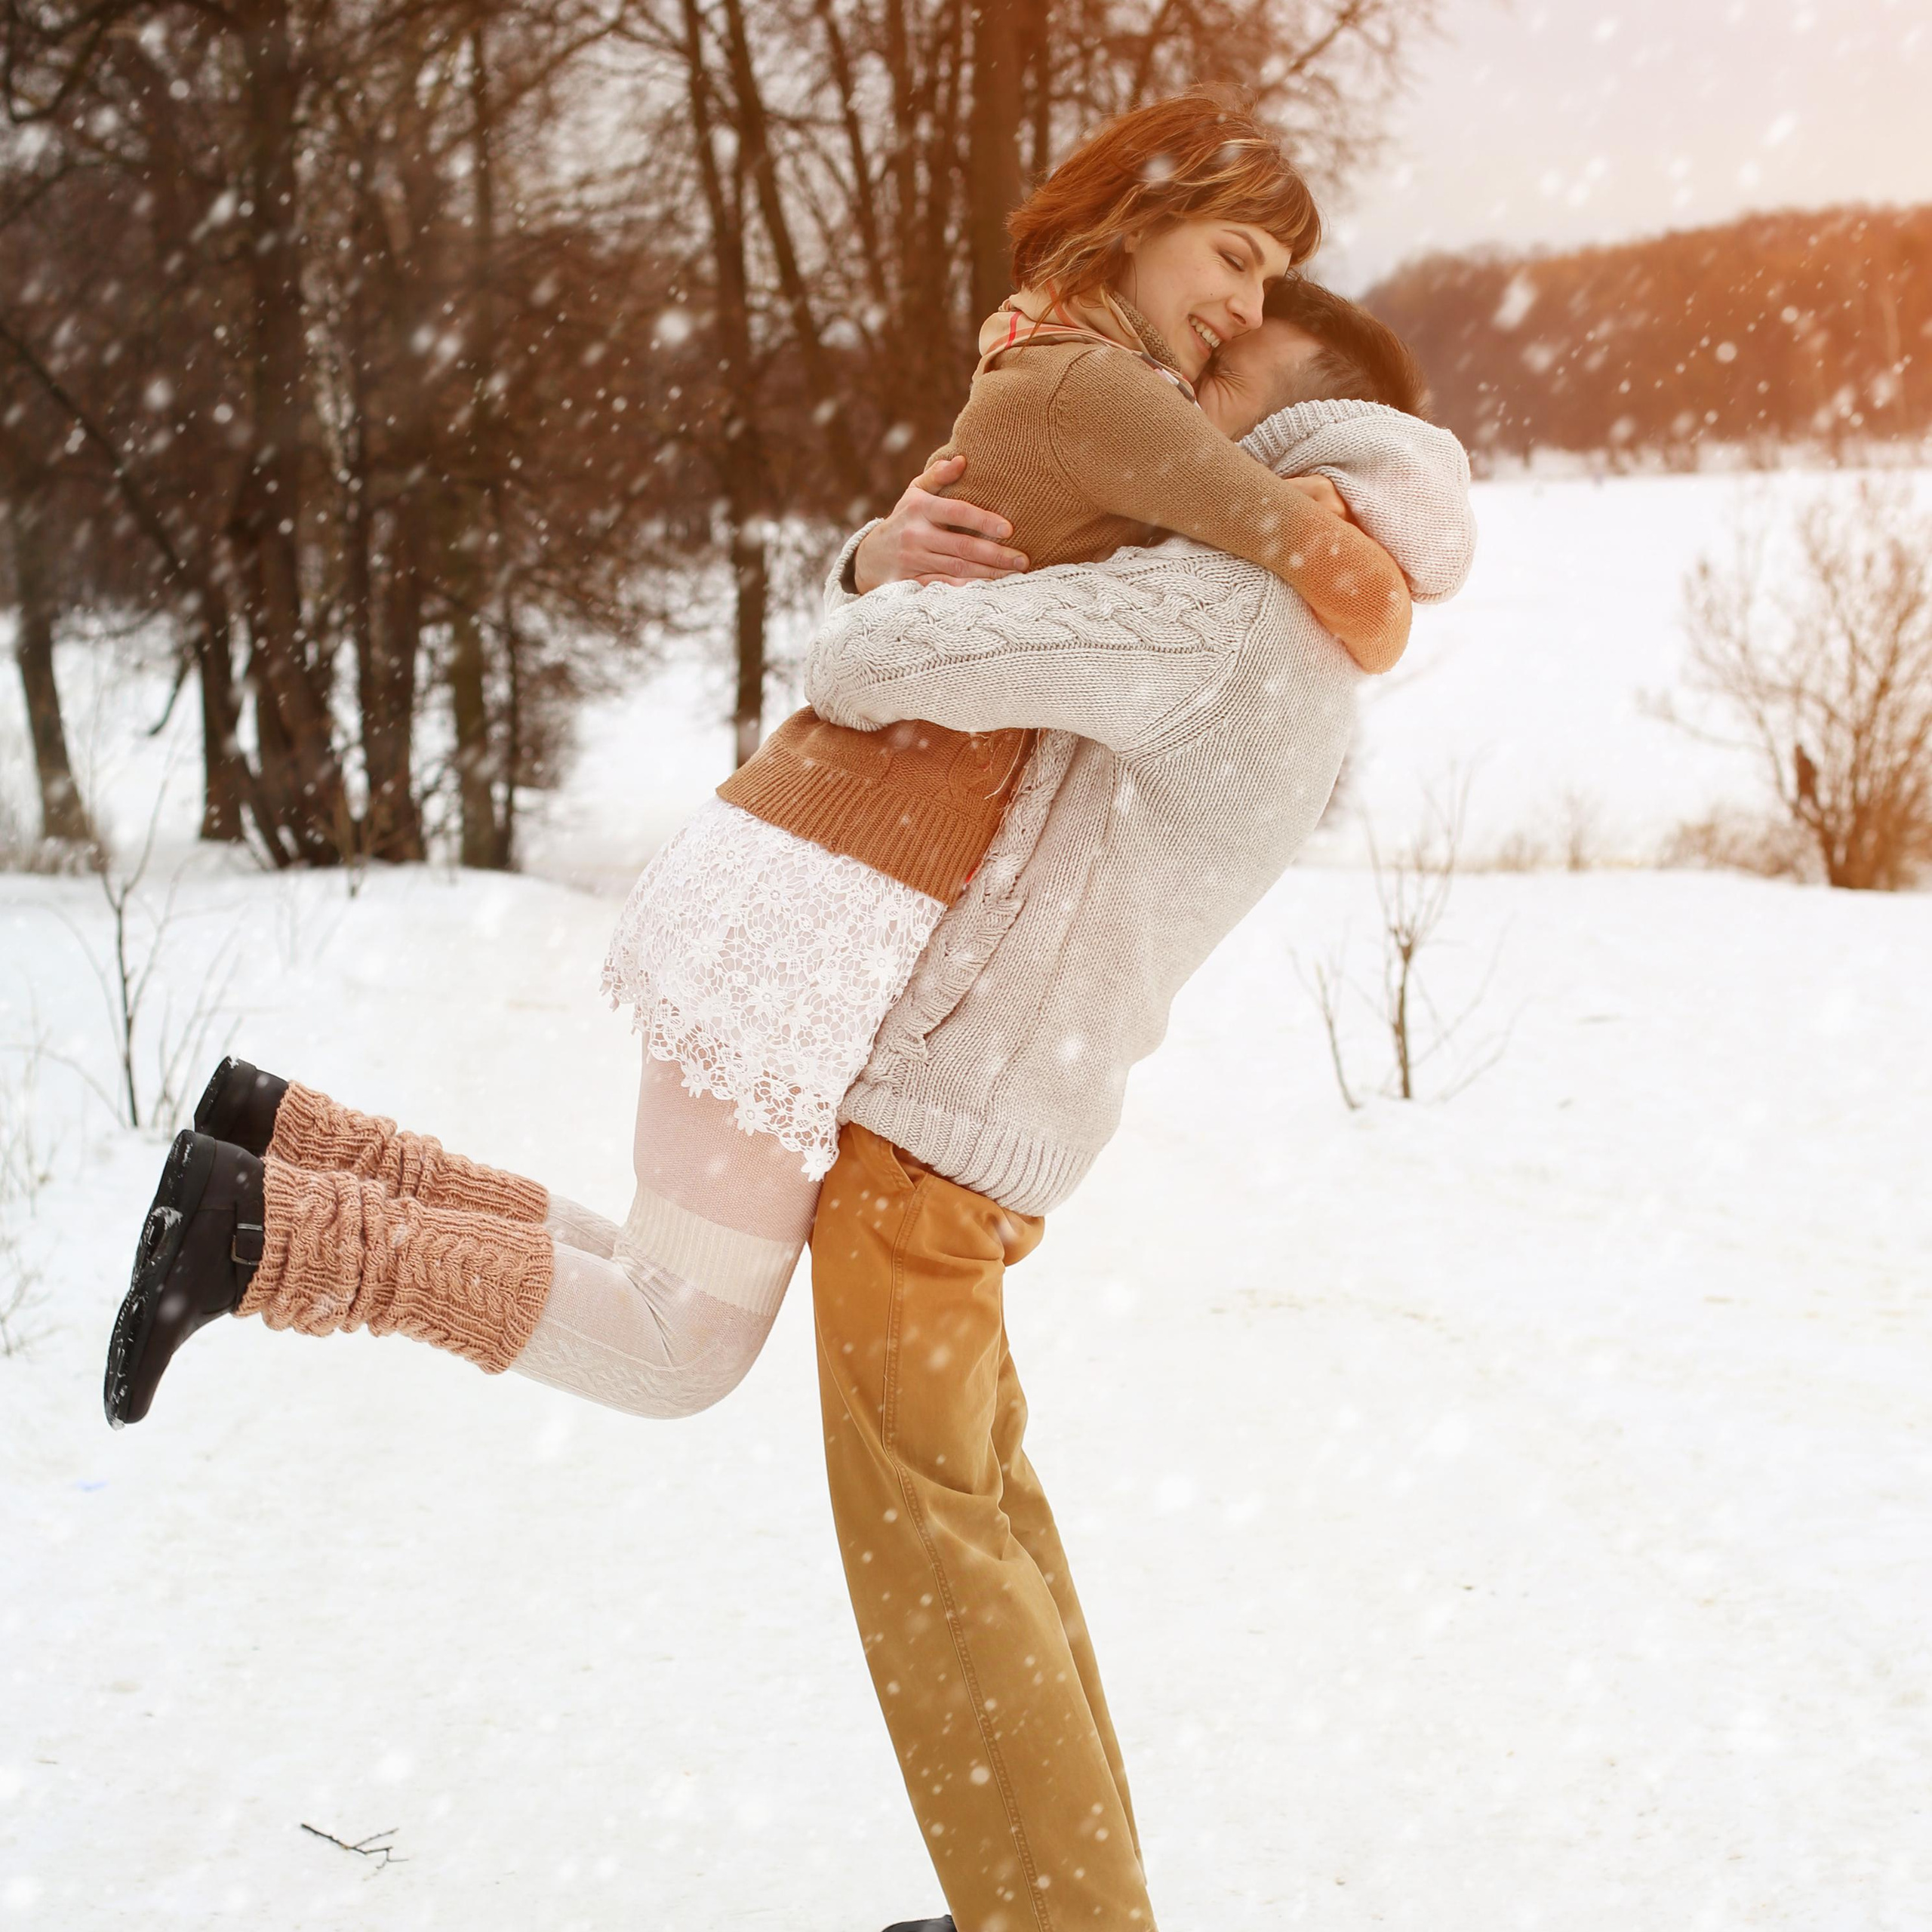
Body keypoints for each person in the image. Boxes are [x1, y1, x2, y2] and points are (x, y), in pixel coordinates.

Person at [102, 91, 1416, 1431]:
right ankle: (260, 1236)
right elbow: (1339, 579)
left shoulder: (1062, 367)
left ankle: (279, 1152)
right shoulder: (1105, 392)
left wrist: (866, 556)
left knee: (653, 1272)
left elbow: (924, 581)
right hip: (823, 896)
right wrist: (1361, 531)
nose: (1251, 310)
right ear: (1139, 223)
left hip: (814, 868)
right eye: (1235, 259)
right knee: (680, 1347)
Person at [795, 280, 1471, 1932]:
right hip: (994, 1121)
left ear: (1300, 412)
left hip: (934, 1125)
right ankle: (1052, 1899)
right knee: (988, 1532)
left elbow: (872, 661)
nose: (1177, 379)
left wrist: (874, 563)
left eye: (1218, 368)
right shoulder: (1295, 607)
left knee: (938, 1563)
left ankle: (1051, 1916)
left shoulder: (1219, 606)